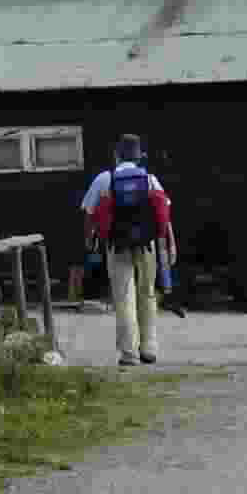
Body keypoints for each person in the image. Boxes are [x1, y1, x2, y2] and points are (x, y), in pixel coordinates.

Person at [85, 134, 176, 368]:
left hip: (116, 246)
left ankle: (129, 353)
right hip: (147, 245)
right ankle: (149, 348)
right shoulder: (150, 179)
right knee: (147, 294)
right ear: (138, 157)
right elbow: (164, 216)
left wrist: (90, 240)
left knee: (124, 297)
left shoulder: (105, 179)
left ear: (116, 155)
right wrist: (170, 243)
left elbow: (88, 212)